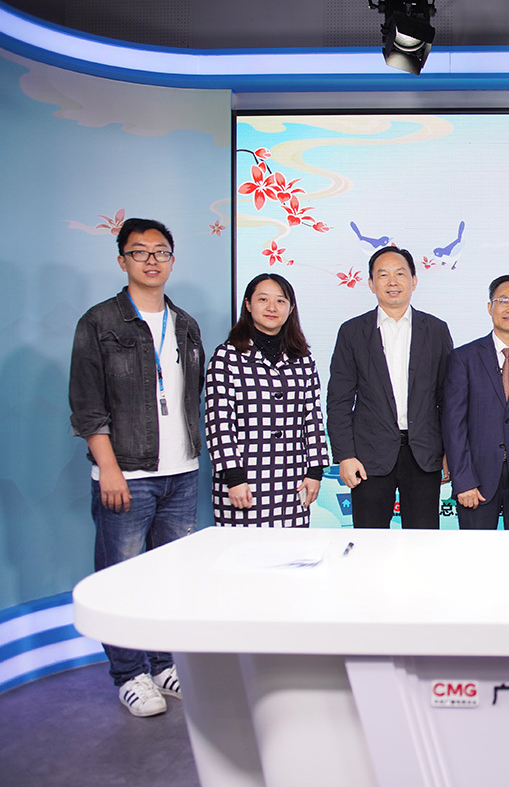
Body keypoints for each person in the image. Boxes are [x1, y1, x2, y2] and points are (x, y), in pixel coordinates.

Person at [69, 218, 202, 717]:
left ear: (172, 259)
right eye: (140, 251)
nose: (151, 260)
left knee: (170, 577)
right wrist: (109, 468)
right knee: (120, 578)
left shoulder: (184, 323)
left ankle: (163, 663)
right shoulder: (99, 323)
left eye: (160, 251)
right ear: (122, 259)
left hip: (181, 472)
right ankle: (129, 673)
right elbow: (87, 405)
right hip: (126, 472)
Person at [327, 246, 453, 529]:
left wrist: (450, 451)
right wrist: (345, 456)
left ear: (414, 281)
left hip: (424, 454)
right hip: (368, 456)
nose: (392, 282)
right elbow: (339, 401)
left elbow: (447, 398)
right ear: (371, 284)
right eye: (383, 275)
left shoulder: (436, 330)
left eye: (400, 274)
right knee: (370, 541)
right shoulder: (352, 332)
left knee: (422, 542)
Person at [205, 273, 328, 527]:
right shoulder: (226, 357)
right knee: (243, 550)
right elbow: (219, 423)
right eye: (263, 299)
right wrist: (234, 477)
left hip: (293, 481)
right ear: (248, 305)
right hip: (243, 482)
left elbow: (313, 418)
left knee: (292, 550)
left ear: (290, 309)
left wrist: (315, 471)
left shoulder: (303, 358)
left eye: (280, 301)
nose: (272, 307)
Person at [443, 275, 509, 529]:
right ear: (490, 307)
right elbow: (453, 425)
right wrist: (463, 480)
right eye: (504, 301)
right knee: (476, 551)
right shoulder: (463, 358)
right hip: (475, 481)